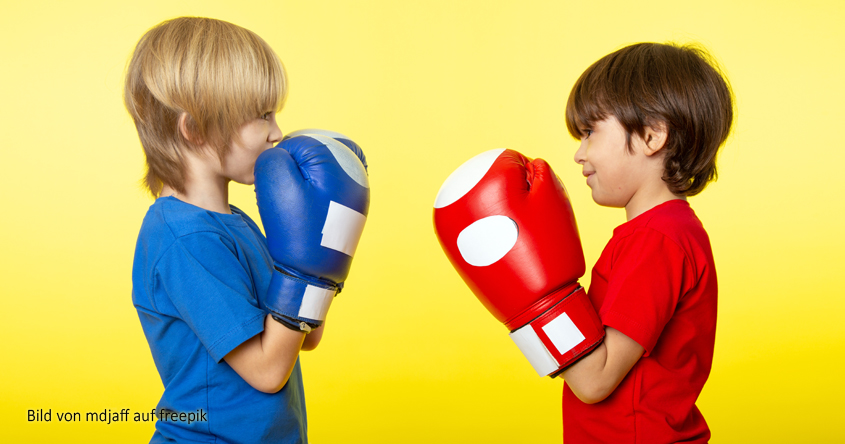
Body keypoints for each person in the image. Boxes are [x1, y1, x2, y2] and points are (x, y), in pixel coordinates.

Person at [125, 17, 366, 444]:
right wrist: (306, 275)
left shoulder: (237, 223)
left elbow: (302, 340)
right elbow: (268, 371)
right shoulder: (186, 239)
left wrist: (321, 254)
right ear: (195, 129)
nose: (277, 133)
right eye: (261, 115)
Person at [559, 42, 734, 442]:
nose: (578, 153)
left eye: (589, 132)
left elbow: (594, 380)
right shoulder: (666, 231)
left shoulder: (656, 240)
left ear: (652, 135)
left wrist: (538, 302)